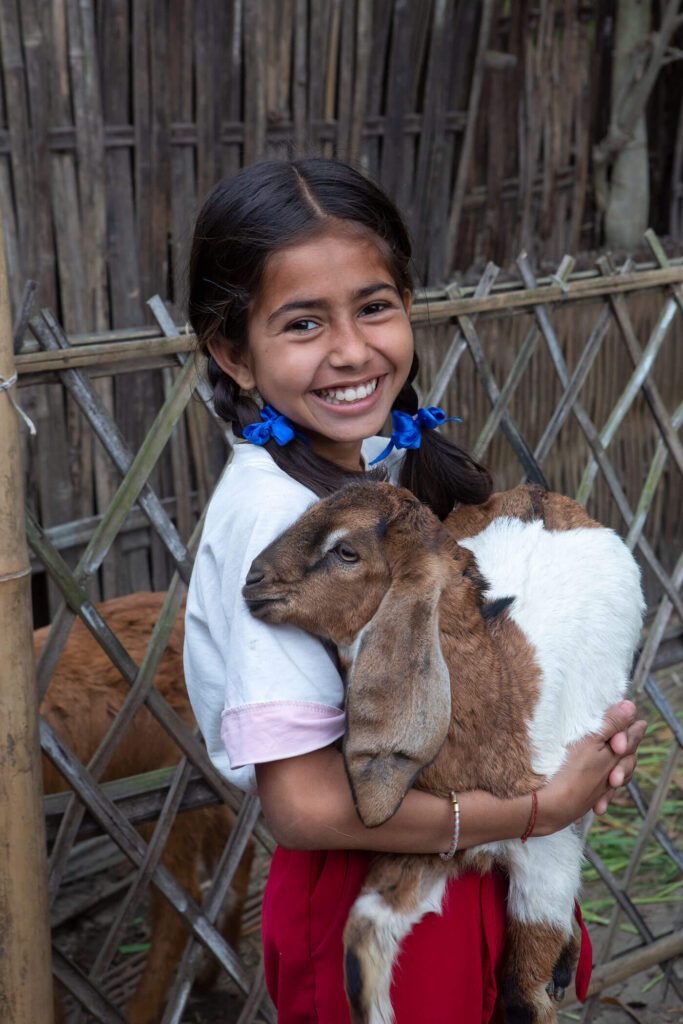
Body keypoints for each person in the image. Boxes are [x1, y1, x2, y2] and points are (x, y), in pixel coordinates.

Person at [183, 158, 645, 1023]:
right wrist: (539, 806)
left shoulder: (359, 480)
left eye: (374, 306)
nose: (351, 350)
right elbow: (308, 806)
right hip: (366, 888)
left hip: (459, 853)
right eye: (302, 323)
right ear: (232, 353)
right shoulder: (276, 520)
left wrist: (575, 740)